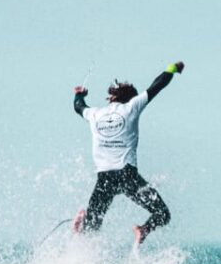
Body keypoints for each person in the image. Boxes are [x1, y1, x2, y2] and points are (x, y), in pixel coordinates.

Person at [72, 60, 184, 245]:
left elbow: (78, 107)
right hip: (127, 176)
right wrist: (172, 69)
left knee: (93, 227)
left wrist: (79, 95)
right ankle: (143, 229)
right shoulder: (132, 107)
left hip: (104, 177)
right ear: (131, 98)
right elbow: (158, 85)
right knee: (162, 214)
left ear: (112, 98)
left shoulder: (95, 114)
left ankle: (81, 227)